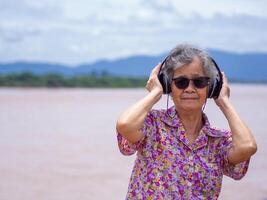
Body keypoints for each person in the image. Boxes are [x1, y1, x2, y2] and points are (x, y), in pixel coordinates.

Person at [116, 44, 257, 199]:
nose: (190, 89)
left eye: (199, 82)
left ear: (211, 88)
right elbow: (125, 125)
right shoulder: (152, 125)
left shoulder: (219, 142)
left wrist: (224, 101)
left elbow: (247, 147)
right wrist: (155, 92)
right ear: (168, 86)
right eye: (181, 82)